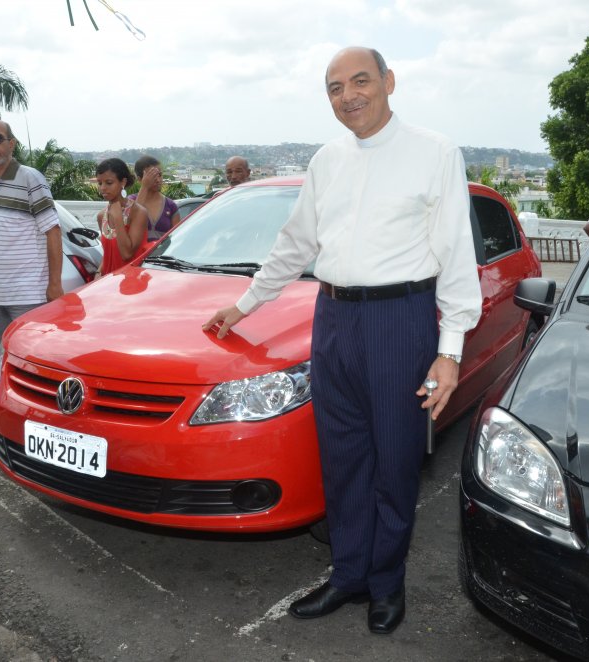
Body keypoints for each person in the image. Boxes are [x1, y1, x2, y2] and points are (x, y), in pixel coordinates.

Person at [203, 47, 482, 635]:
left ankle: (386, 583)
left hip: (401, 321)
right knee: (343, 455)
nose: (348, 95)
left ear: (389, 81)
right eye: (334, 87)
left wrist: (449, 349)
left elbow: (458, 252)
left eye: (360, 81)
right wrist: (246, 302)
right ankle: (349, 574)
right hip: (332, 319)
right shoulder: (326, 161)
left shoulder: (435, 152)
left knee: (396, 458)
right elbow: (295, 243)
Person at [0, 117, 63, 367]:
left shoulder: (30, 178)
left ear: (11, 144)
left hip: (28, 294)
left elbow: (53, 231)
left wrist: (54, 285)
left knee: (29, 363)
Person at [94, 158, 149, 276]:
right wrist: (98, 272)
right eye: (100, 183)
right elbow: (108, 254)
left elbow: (126, 254)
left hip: (131, 284)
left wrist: (118, 218)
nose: (103, 188)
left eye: (109, 183)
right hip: (107, 283)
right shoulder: (101, 216)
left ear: (123, 182)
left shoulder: (138, 212)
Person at [132, 155, 181, 242]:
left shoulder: (170, 205)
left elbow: (177, 238)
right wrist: (145, 187)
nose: (158, 180)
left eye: (160, 175)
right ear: (140, 179)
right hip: (140, 255)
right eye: (152, 176)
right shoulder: (131, 201)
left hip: (162, 255)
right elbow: (131, 220)